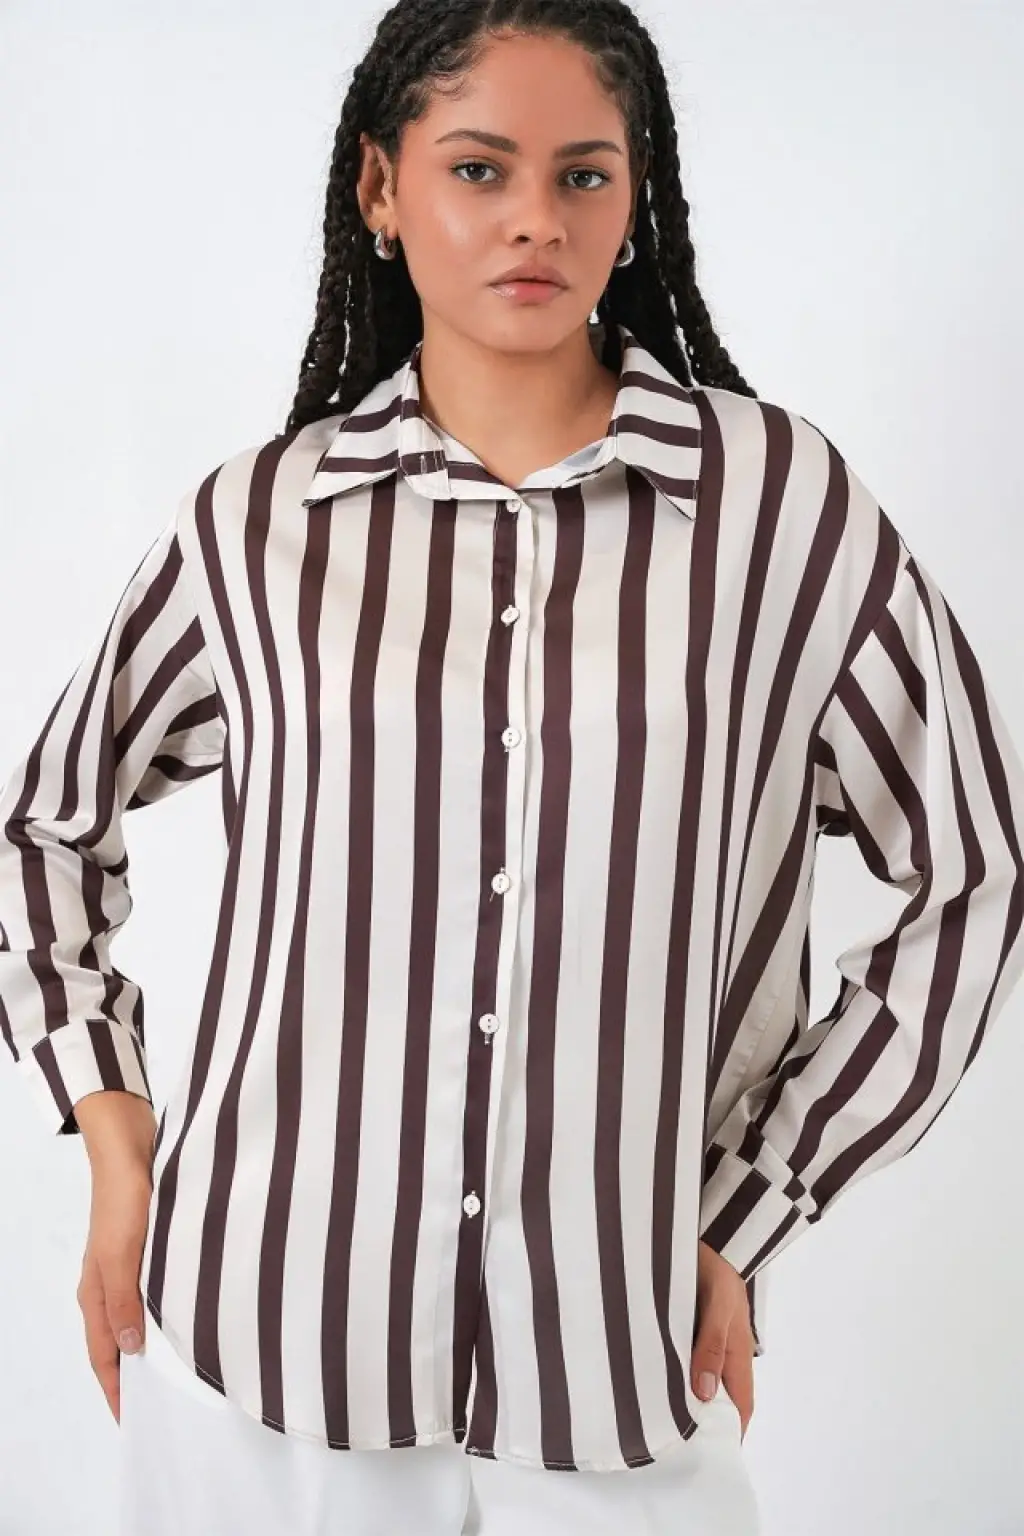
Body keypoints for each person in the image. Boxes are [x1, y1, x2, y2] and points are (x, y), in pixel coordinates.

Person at [1, 2, 1022, 1533]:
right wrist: (114, 1142)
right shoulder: (261, 524)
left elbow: (972, 877)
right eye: (479, 169)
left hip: (616, 1372)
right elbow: (43, 831)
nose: (536, 218)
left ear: (635, 195)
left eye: (584, 175)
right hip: (256, 1360)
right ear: (381, 187)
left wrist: (751, 1207)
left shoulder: (780, 514)